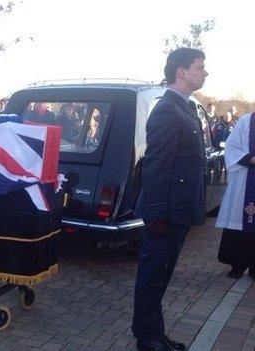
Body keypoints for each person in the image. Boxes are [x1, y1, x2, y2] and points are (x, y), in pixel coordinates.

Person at [132, 47, 208, 351]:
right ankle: (147, 338)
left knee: (161, 275)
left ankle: (153, 333)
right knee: (153, 275)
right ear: (181, 71)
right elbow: (157, 164)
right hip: (167, 210)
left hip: (178, 209)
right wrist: (157, 212)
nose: (205, 72)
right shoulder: (167, 109)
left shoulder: (184, 107)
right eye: (200, 67)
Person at [216, 111, 255, 278]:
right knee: (240, 220)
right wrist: (251, 159)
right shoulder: (246, 121)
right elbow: (231, 147)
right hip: (246, 178)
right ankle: (237, 265)